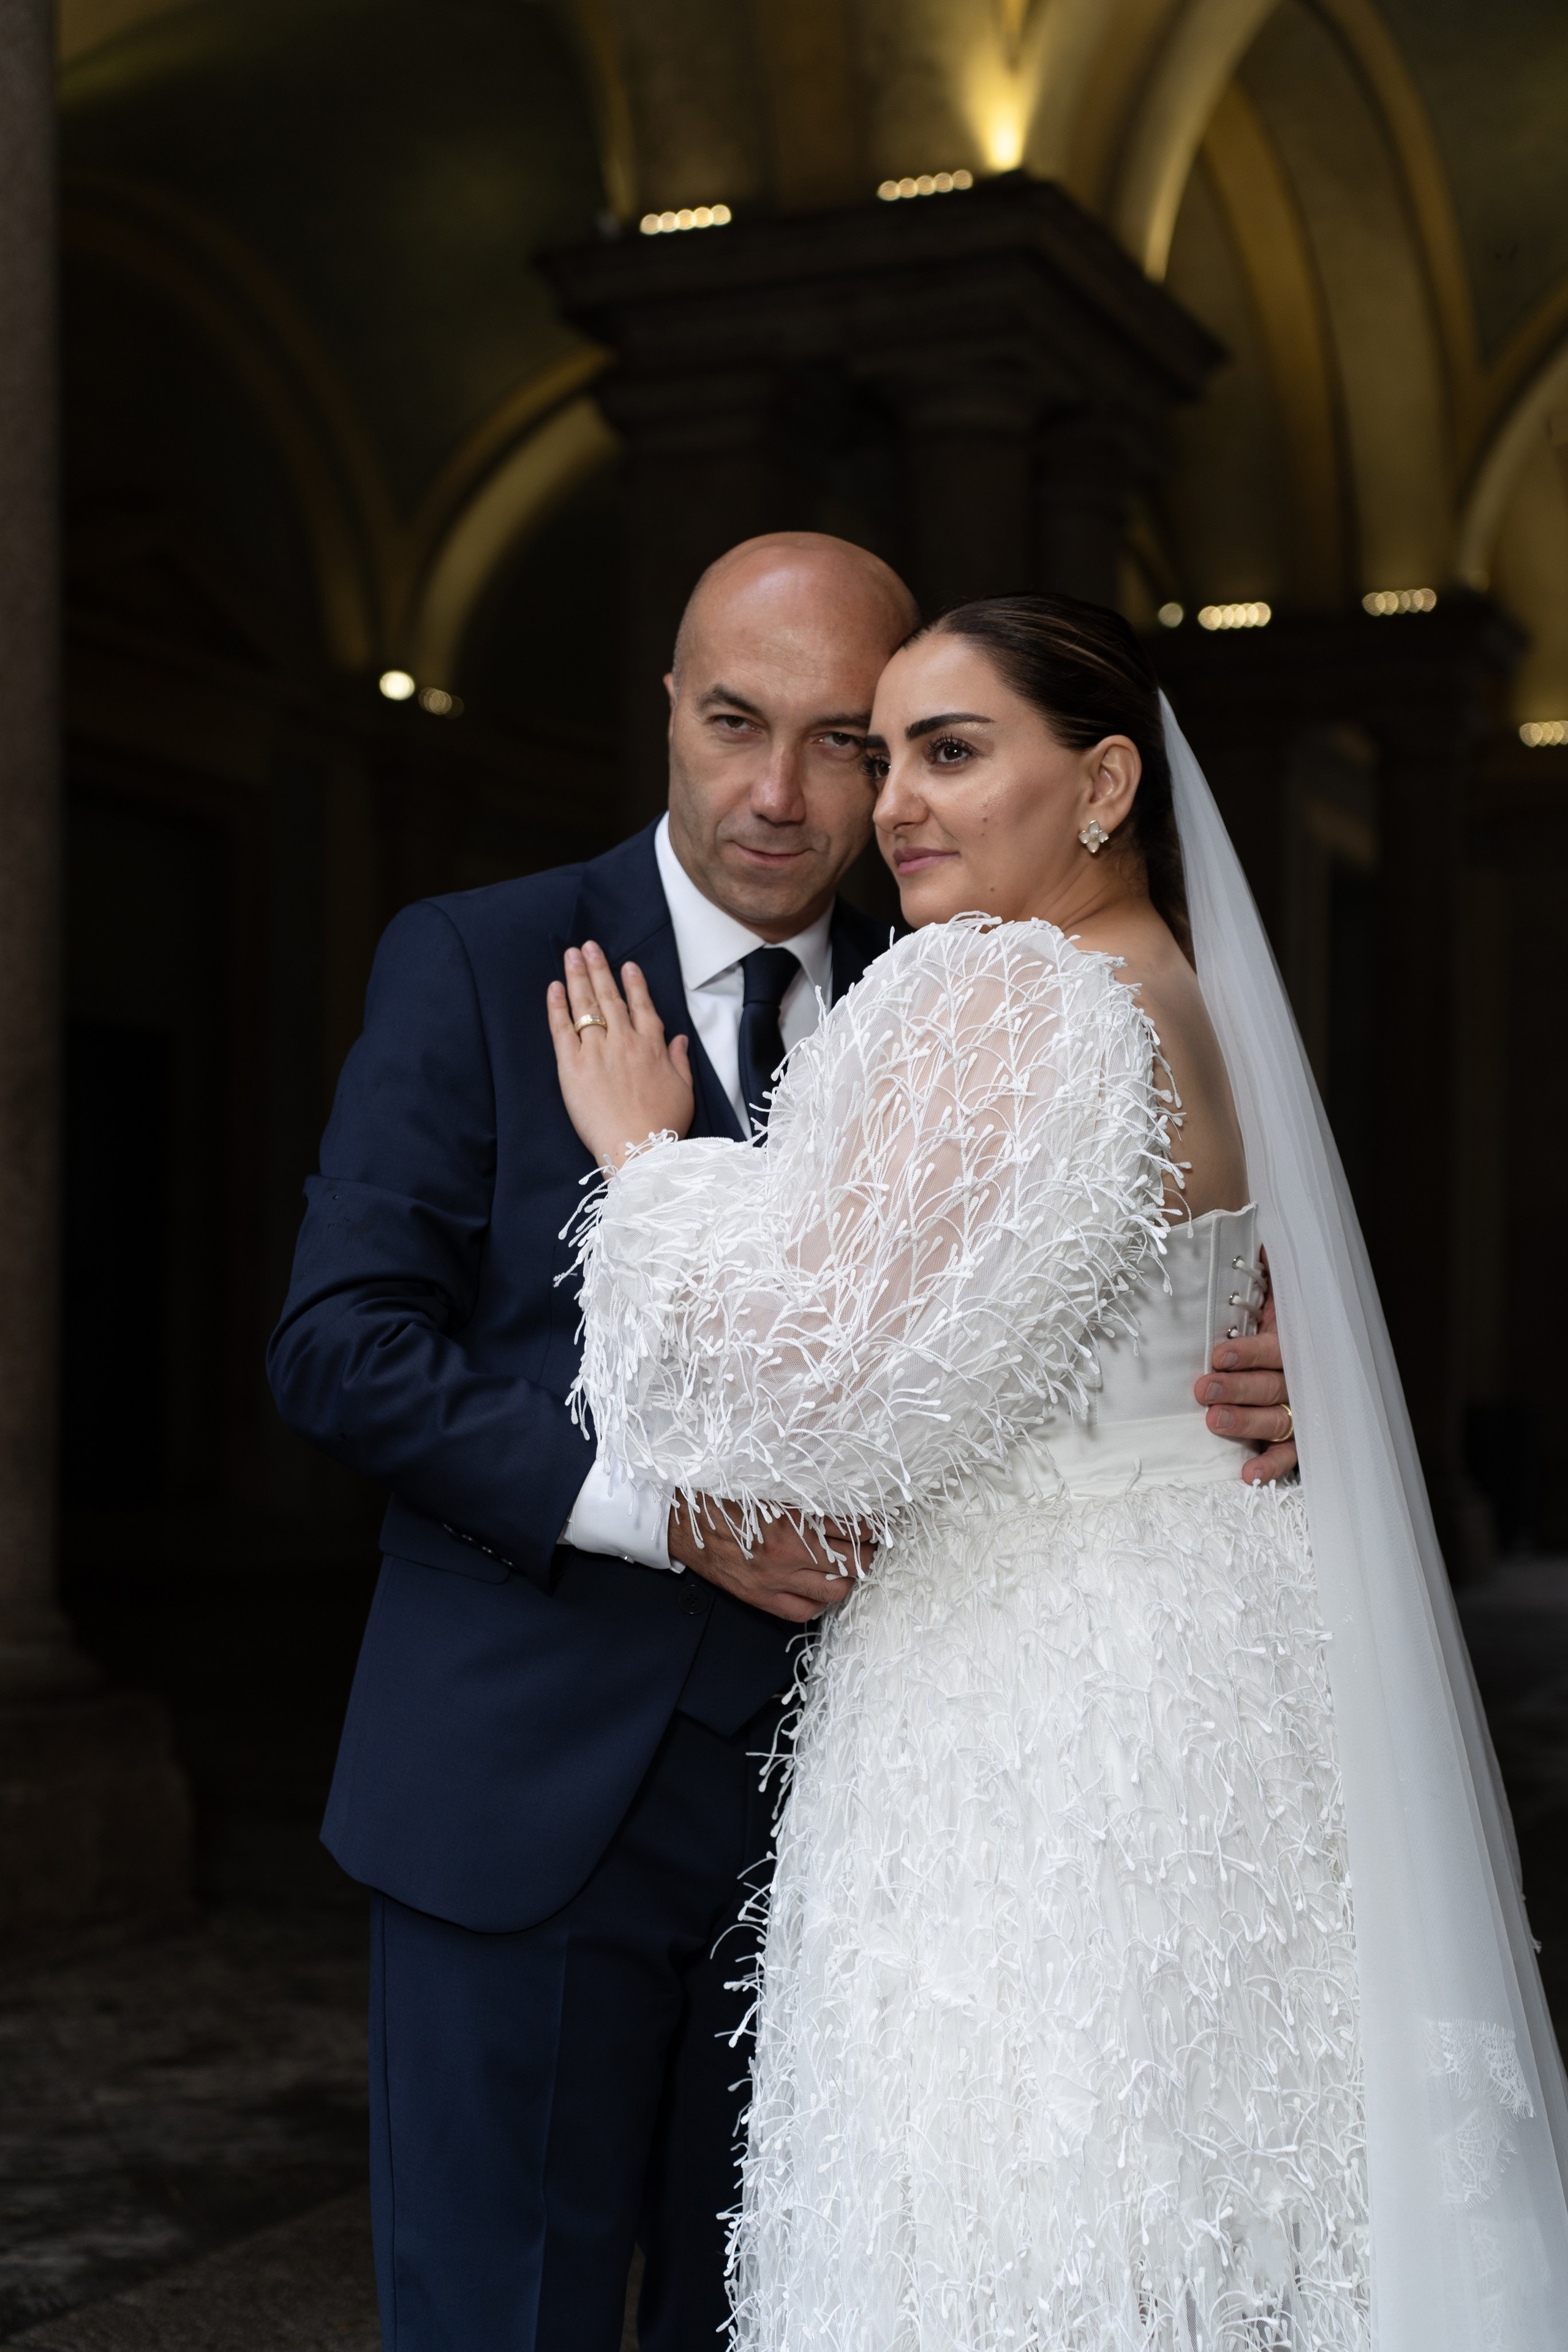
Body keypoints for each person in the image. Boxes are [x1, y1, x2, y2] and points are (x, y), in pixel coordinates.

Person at [268, 539, 1294, 2352]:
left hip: (895, 1828)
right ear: (668, 703)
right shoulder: (484, 956)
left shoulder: (988, 968)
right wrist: (667, 1518)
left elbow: (1100, 1274)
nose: (791, 793)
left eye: (854, 742)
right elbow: (340, 1352)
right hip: (532, 1790)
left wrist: (1267, 1373)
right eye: (739, 722)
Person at [554, 594, 1568, 2350]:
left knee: (1015, 2178)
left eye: (953, 753)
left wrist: (648, 1168)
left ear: (1103, 779)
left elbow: (828, 1387)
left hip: (1028, 1700)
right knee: (1202, 2156)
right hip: (1215, 1656)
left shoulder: (1011, 987)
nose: (893, 807)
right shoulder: (1186, 991)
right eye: (893, 759)